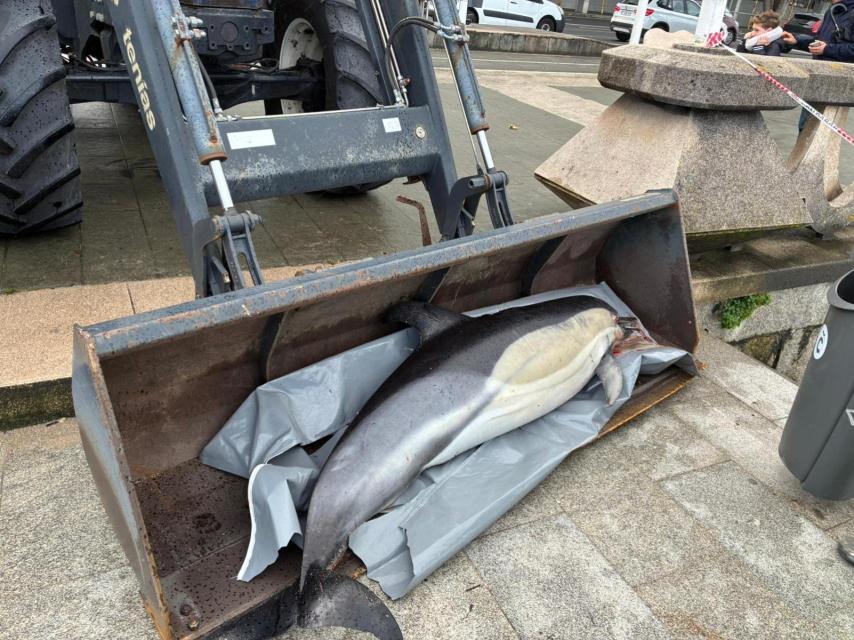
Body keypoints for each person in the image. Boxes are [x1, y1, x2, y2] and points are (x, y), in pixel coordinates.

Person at [781, 0, 854, 130]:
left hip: (839, 82)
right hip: (819, 77)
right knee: (805, 126)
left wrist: (827, 49)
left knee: (822, 130)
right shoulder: (832, 10)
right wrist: (796, 40)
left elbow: (827, 47)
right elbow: (819, 41)